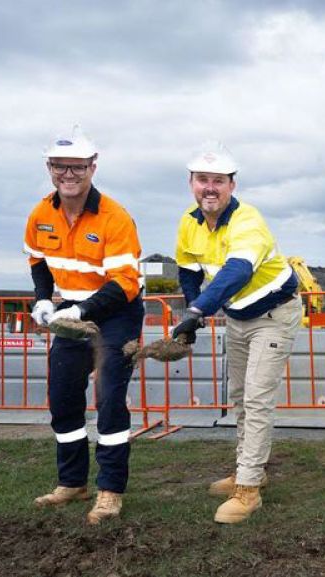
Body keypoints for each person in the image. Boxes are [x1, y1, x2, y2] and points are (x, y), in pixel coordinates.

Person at [173, 142, 302, 524]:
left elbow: (237, 272)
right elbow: (189, 271)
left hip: (274, 313)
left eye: (218, 181)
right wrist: (194, 311)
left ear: (232, 184)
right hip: (238, 317)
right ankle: (252, 470)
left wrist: (198, 311)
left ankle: (248, 490)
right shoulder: (189, 222)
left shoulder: (248, 220)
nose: (209, 188)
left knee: (258, 399)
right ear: (191, 183)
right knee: (241, 397)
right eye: (202, 180)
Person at [25, 125, 144, 524]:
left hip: (116, 310)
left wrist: (81, 311)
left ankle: (110, 490)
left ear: (93, 167)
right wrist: (43, 298)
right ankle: (72, 483)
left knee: (109, 397)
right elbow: (38, 260)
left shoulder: (114, 217)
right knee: (62, 396)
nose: (68, 175)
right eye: (60, 166)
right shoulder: (41, 214)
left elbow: (125, 283)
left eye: (77, 167)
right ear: (49, 167)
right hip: (71, 308)